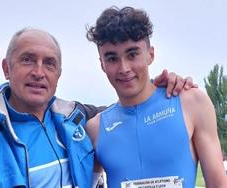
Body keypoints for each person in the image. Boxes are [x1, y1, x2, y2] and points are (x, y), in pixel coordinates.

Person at [0, 28, 193, 188]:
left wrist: (161, 89)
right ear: (6, 68)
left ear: (58, 74)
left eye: (49, 63)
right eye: (28, 59)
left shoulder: (77, 119)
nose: (39, 72)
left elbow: (130, 110)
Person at [86, 6, 227, 188]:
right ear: (102, 64)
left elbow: (218, 184)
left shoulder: (192, 103)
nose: (124, 68)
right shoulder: (95, 129)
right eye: (112, 58)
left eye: (132, 54)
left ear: (150, 54)